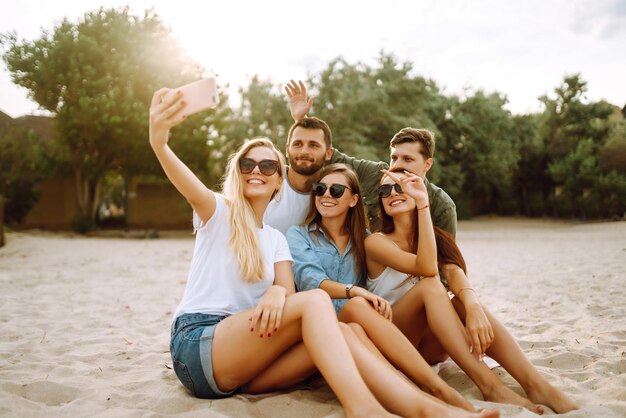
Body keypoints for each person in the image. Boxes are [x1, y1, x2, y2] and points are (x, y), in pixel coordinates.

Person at [150, 87, 498, 418]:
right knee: (318, 301)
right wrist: (160, 141)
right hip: (199, 342)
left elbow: (287, 292)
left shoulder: (275, 239)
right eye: (248, 165)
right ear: (238, 174)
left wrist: (276, 291)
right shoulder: (218, 211)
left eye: (268, 167)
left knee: (350, 331)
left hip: (248, 364)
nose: (257, 171)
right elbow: (187, 183)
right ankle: (364, 408)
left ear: (279, 179)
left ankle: (429, 407)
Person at [365, 167, 579, 414]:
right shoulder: (376, 242)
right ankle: (490, 386)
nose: (393, 192)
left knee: (458, 301)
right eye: (385, 189)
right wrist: (423, 205)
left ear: (419, 190)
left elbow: (453, 271)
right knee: (431, 287)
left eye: (402, 186)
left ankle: (536, 384)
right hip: (394, 342)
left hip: (429, 349)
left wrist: (473, 306)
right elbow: (426, 268)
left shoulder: (433, 239)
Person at [287, 163, 474, 411]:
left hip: (360, 333)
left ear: (353, 199)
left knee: (358, 315)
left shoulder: (364, 239)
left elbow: (432, 267)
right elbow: (311, 280)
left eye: (336, 190)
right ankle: (435, 389)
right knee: (356, 306)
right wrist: (353, 290)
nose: (325, 195)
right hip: (319, 334)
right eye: (320, 189)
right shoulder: (298, 235)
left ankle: (434, 391)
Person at [283, 79, 456, 236]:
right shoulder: (375, 174)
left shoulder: (442, 206)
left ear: (427, 164)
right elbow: (327, 156)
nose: (397, 165)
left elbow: (447, 263)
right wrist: (301, 119)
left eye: (408, 159)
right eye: (394, 158)